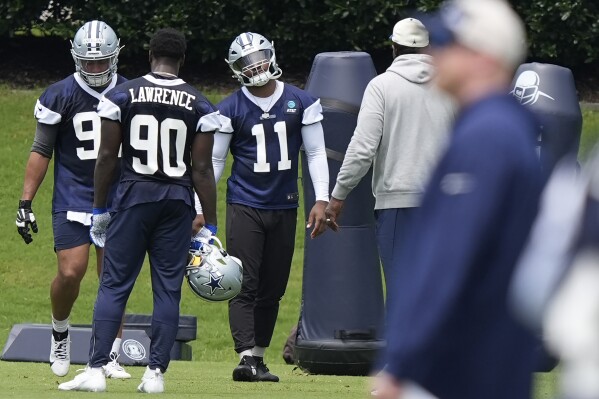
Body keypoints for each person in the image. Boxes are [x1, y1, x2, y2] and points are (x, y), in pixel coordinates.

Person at [373, 1, 544, 398]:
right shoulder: (501, 128)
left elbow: (450, 258)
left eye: (449, 43)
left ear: (485, 58)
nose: (435, 54)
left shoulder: (487, 136)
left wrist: (402, 363)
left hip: (456, 367)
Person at [57, 27, 220, 393]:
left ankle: (97, 369)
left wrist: (99, 207)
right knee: (167, 291)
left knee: (114, 285)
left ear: (149, 56)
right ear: (182, 59)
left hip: (133, 198)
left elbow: (106, 157)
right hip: (177, 201)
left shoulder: (121, 95)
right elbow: (202, 170)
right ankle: (155, 374)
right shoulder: (200, 103)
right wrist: (210, 223)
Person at [197, 31, 329, 382]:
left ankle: (258, 357)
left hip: (285, 204)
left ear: (272, 56)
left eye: (260, 57)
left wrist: (322, 197)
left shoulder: (301, 101)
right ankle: (244, 357)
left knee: (273, 287)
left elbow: (315, 152)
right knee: (244, 282)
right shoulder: (229, 108)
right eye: (246, 62)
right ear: (236, 69)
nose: (256, 66)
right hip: (245, 203)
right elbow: (214, 162)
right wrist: (199, 206)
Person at [15, 20, 130, 379]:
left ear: (115, 57)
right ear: (76, 58)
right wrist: (25, 201)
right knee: (70, 272)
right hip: (73, 194)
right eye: (88, 62)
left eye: (101, 62)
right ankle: (60, 333)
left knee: (112, 276)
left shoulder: (130, 93)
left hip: (117, 197)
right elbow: (41, 149)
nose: (95, 69)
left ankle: (110, 353)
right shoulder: (59, 94)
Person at [324, 17, 454, 288]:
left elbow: (362, 148)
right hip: (444, 203)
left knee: (401, 296)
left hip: (398, 204)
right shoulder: (450, 85)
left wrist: (338, 196)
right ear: (428, 48)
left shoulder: (382, 86)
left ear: (394, 47)